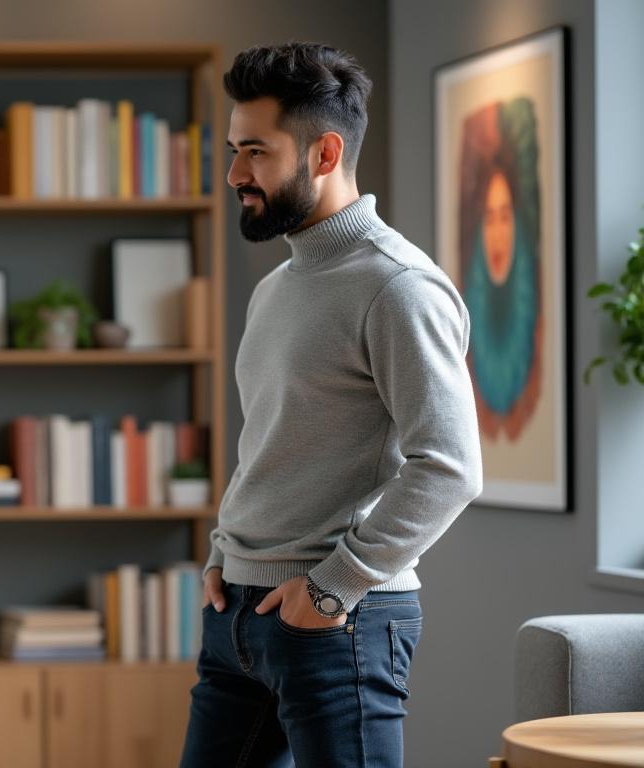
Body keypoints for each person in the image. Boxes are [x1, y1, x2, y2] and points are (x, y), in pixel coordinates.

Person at [180, 42, 483, 767]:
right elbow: (273, 443)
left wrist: (330, 591)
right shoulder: (275, 288)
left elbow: (450, 465)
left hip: (334, 621)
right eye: (232, 149)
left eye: (255, 151)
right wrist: (227, 550)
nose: (234, 175)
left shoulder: (398, 286)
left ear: (324, 153)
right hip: (238, 617)